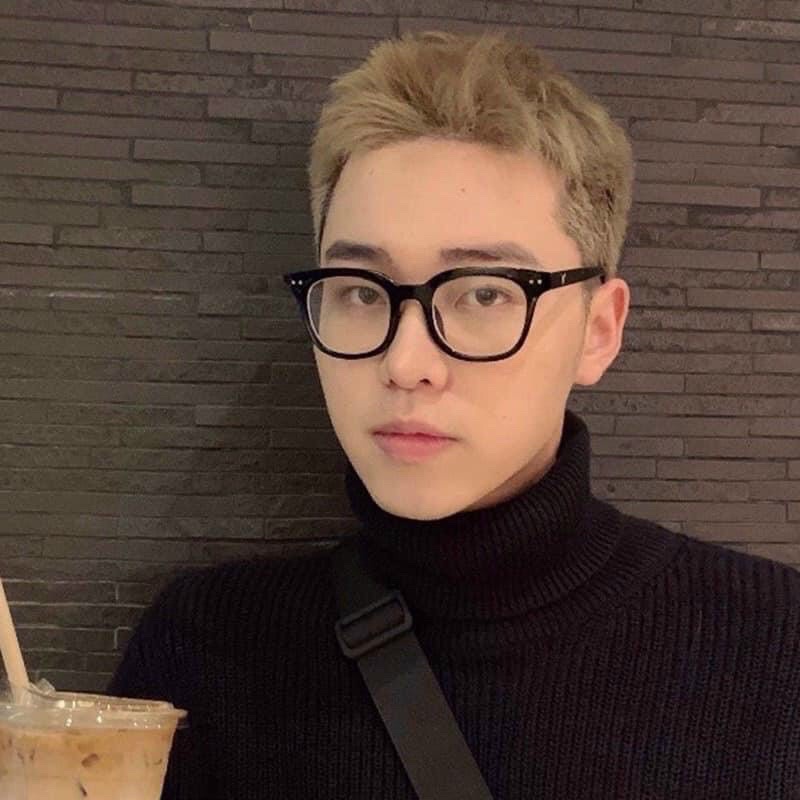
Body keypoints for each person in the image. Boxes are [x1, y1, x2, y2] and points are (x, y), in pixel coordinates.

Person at [108, 29, 800, 798]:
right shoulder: (207, 651)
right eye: (361, 291)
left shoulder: (774, 652)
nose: (406, 362)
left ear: (598, 332)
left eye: (484, 294)